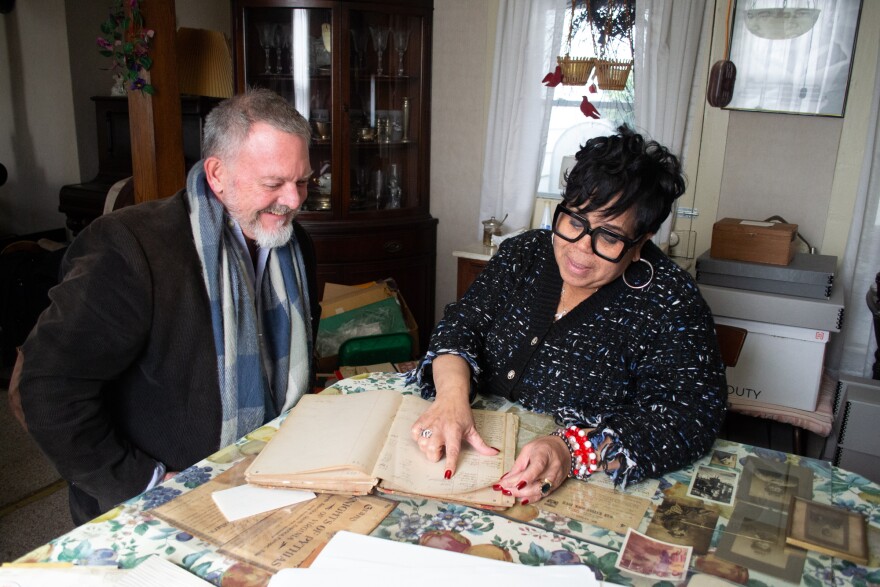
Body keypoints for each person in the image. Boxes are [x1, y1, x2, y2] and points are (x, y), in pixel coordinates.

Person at [17, 88, 320, 524]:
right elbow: (48, 387)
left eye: (303, 181)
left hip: (270, 482)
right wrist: (147, 483)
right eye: (274, 183)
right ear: (217, 174)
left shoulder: (295, 244)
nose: (293, 200)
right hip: (154, 500)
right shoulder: (129, 248)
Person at [408, 125, 726, 504]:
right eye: (574, 221)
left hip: (575, 485)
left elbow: (689, 417)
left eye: (609, 236)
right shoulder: (525, 253)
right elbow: (461, 326)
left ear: (641, 242)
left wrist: (571, 449)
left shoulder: (670, 302)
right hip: (466, 456)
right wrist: (451, 396)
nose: (580, 249)